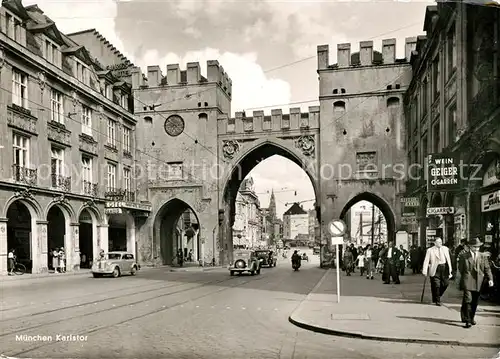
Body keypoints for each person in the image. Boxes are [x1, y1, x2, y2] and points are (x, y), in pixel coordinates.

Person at [458, 237, 494, 328]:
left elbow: (487, 269)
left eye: (478, 247)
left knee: (475, 301)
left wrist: (490, 279)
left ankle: (472, 317)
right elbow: (460, 269)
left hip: (479, 281)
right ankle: (468, 320)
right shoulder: (464, 256)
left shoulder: (483, 256)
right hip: (468, 280)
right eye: (474, 247)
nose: (476, 249)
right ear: (470, 247)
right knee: (468, 300)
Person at [422, 237, 453, 306]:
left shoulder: (446, 249)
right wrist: (424, 270)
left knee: (446, 284)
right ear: (435, 243)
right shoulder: (430, 250)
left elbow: (450, 259)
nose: (440, 243)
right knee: (436, 285)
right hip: (435, 269)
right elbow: (426, 260)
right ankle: (437, 300)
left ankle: (437, 295)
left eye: (441, 242)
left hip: (444, 268)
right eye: (438, 242)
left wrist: (451, 269)